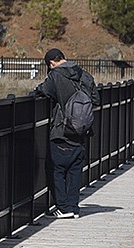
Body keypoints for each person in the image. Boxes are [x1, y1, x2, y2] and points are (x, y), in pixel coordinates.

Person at [34, 46, 97, 218]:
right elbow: (96, 99)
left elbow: (44, 90)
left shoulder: (55, 75)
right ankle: (73, 207)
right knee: (75, 171)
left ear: (52, 63)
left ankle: (64, 208)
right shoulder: (85, 75)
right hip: (81, 132)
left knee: (56, 169)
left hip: (62, 131)